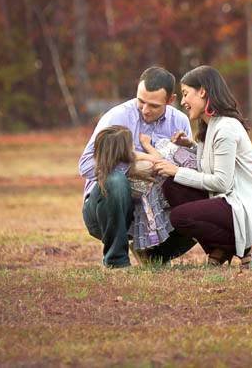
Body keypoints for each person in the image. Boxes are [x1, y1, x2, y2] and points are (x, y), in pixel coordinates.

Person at [152, 65, 252, 269]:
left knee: (180, 216)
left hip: (244, 202)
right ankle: (219, 248)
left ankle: (248, 246)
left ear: (202, 91)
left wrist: (176, 170)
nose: (183, 101)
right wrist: (191, 146)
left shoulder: (226, 128)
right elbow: (210, 165)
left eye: (186, 94)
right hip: (227, 198)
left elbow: (221, 182)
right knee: (172, 187)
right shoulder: (209, 126)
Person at [78, 66, 195, 268]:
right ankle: (116, 261)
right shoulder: (117, 117)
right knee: (116, 180)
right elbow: (86, 165)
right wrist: (130, 166)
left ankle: (155, 254)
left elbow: (186, 166)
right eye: (141, 101)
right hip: (105, 210)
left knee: (195, 193)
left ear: (170, 100)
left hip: (153, 209)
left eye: (154, 105)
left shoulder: (180, 121)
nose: (145, 110)